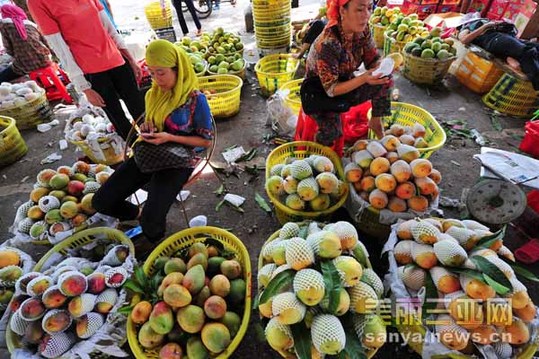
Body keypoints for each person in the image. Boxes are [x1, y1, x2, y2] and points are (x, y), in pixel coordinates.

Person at [92, 39, 213, 253]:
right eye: (153, 72)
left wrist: (169, 137)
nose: (156, 79)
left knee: (152, 220)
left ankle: (155, 240)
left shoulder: (195, 100)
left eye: (162, 72)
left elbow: (205, 141)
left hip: (181, 158)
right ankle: (138, 215)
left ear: (178, 69)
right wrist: (149, 129)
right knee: (102, 201)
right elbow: (152, 123)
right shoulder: (152, 94)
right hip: (152, 152)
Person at [27, 0, 145, 142]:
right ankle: (139, 153)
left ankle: (161, 150)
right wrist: (84, 87)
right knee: (119, 120)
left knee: (140, 111)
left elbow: (109, 27)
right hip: (91, 72)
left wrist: (130, 59)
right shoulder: (37, 2)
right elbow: (60, 48)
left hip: (117, 60)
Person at [301, 0, 392, 148]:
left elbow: (373, 59)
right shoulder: (329, 43)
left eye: (369, 8)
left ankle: (376, 122)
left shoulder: (363, 30)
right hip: (319, 95)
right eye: (360, 10)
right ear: (342, 11)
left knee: (386, 80)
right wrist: (364, 78)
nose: (366, 15)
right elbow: (331, 90)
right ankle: (317, 156)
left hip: (347, 84)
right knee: (333, 132)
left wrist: (382, 68)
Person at [457, 17, 539, 90]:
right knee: (527, 52)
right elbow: (464, 40)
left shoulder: (486, 21)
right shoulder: (466, 27)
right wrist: (486, 26)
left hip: (505, 39)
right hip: (493, 40)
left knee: (535, 47)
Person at [0, 4, 51, 82]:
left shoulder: (5, 25)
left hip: (25, 64)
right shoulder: (31, 25)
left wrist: (16, 56)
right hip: (44, 60)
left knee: (3, 76)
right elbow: (46, 42)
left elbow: (9, 49)